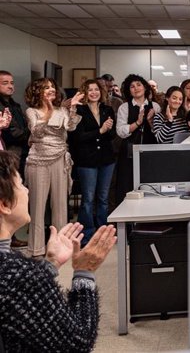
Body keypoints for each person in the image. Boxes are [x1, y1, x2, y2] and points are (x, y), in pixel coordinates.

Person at [0, 150, 117, 352]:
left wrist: (50, 265)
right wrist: (84, 272)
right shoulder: (17, 276)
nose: (27, 191)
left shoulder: (17, 275)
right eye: (21, 185)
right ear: (5, 204)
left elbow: (17, 306)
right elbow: (77, 342)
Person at [24, 78, 83, 257]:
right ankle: (36, 249)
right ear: (37, 92)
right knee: (37, 206)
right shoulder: (31, 111)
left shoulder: (62, 110)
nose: (51, 89)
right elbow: (36, 132)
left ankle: (60, 246)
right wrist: (48, 112)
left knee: (60, 206)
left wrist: (72, 108)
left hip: (60, 158)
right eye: (46, 87)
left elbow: (71, 127)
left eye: (52, 87)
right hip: (37, 160)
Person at [69, 79, 116, 246]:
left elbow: (112, 137)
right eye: (90, 90)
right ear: (84, 93)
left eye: (96, 89)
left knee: (103, 198)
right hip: (87, 161)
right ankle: (87, 235)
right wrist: (100, 131)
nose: (94, 92)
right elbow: (77, 138)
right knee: (88, 199)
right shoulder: (78, 111)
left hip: (106, 160)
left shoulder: (107, 109)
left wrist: (107, 130)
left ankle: (103, 233)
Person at [115, 74, 160, 204]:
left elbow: (159, 131)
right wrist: (138, 123)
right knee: (127, 185)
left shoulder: (155, 106)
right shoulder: (124, 107)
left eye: (139, 85)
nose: (136, 88)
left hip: (150, 151)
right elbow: (121, 132)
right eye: (132, 86)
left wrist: (151, 121)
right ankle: (127, 221)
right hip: (129, 152)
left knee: (150, 185)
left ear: (145, 87)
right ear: (129, 91)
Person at [0, 70, 30, 248]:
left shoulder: (14, 105)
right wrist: (30, 134)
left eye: (11, 82)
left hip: (19, 154)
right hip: (8, 155)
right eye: (5, 82)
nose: (10, 85)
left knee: (13, 197)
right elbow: (13, 134)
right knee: (6, 197)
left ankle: (10, 236)